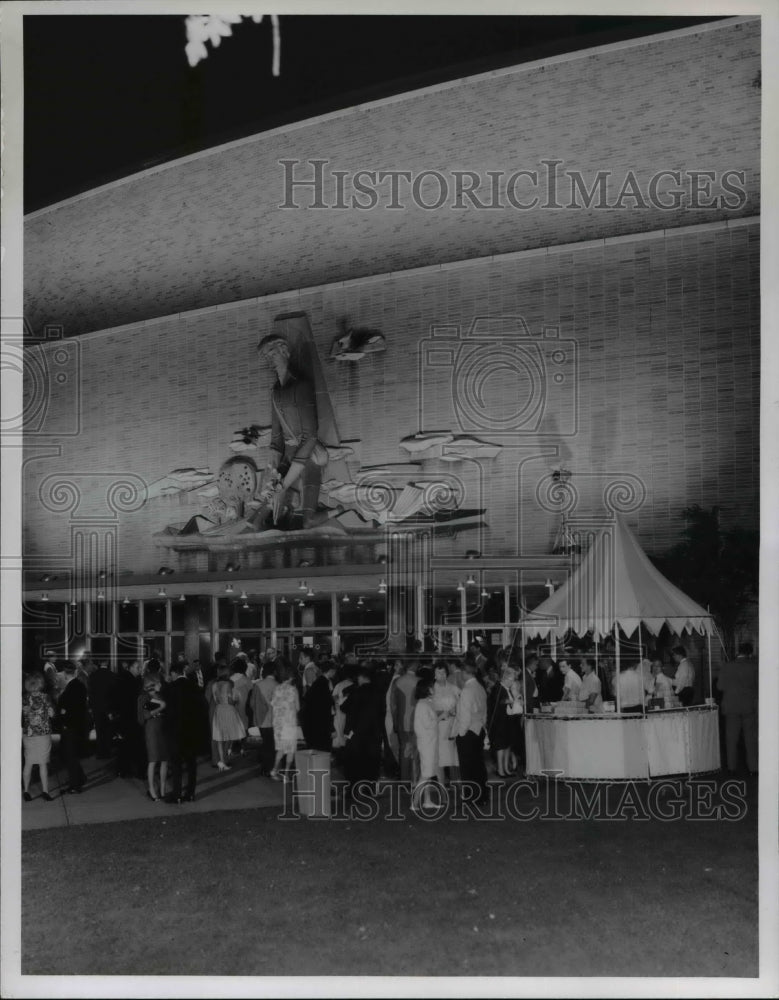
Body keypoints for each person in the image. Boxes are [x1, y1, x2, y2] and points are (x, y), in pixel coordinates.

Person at [255, 333, 329, 530]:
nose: (269, 360)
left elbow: (310, 436)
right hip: (287, 459)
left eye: (272, 354)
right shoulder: (276, 392)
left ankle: (335, 511)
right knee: (267, 512)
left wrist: (284, 483)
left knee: (308, 520)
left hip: (309, 457)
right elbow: (276, 439)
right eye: (266, 357)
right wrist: (271, 473)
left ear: (284, 351)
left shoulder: (302, 386)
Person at [342, 662, 385, 794]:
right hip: (375, 733)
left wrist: (347, 731)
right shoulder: (379, 692)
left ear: (361, 677)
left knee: (355, 762)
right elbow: (383, 711)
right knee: (372, 763)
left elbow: (346, 709)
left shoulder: (357, 692)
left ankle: (353, 789)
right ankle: (370, 788)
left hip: (358, 734)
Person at [718, 642, 759, 774]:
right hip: (749, 706)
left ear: (738, 651)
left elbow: (720, 687)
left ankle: (731, 767)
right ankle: (753, 768)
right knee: (751, 739)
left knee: (731, 738)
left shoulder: (727, 666)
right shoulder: (754, 667)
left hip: (731, 707)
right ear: (750, 653)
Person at [164, 661, 202, 803]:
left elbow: (164, 708)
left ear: (173, 673)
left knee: (176, 763)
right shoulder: (194, 686)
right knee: (191, 763)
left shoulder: (170, 688)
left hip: (175, 731)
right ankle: (190, 793)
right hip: (191, 730)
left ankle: (177, 794)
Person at [453, 660, 488, 803]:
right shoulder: (480, 687)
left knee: (467, 767)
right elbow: (485, 710)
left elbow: (465, 715)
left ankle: (470, 796)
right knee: (478, 765)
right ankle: (482, 796)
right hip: (479, 728)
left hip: (468, 731)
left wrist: (461, 733)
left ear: (464, 672)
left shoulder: (467, 690)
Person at [22, 673, 56, 801]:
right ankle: (45, 792)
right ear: (40, 683)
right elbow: (52, 714)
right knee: (42, 764)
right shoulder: (45, 697)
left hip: (29, 734)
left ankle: (26, 791)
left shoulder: (24, 698)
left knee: (28, 763)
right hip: (43, 734)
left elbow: (22, 714)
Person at [56, 661, 89, 794]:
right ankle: (79, 778)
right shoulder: (80, 686)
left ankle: (75, 785)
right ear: (74, 672)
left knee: (70, 756)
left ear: (64, 674)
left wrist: (63, 713)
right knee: (72, 754)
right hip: (79, 724)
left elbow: (65, 708)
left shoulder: (70, 689)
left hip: (70, 726)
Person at [138, 676, 169, 800]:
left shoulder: (160, 696)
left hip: (162, 727)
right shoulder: (143, 697)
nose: (161, 685)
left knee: (165, 759)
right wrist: (161, 707)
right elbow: (144, 716)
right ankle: (151, 789)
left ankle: (162, 789)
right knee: (153, 759)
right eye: (158, 683)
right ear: (152, 684)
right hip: (151, 728)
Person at [115, 659, 146, 778]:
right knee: (136, 745)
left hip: (126, 717)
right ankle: (137, 770)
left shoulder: (125, 679)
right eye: (138, 667)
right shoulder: (132, 682)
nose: (140, 670)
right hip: (132, 717)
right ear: (131, 667)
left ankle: (123, 769)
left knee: (125, 744)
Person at [270, 663, 300, 781]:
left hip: (278, 724)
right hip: (289, 723)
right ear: (291, 677)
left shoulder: (276, 688)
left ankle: (274, 770)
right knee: (291, 749)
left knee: (281, 749)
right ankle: (286, 775)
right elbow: (297, 707)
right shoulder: (293, 690)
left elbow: (272, 704)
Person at [412, 675, 439, 810]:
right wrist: (440, 717)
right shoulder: (423, 704)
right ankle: (415, 802)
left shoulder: (426, 702)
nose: (434, 688)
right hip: (426, 743)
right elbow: (428, 723)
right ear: (427, 689)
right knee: (426, 774)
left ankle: (426, 800)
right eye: (432, 686)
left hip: (429, 742)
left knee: (427, 773)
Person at [432, 661, 460, 784]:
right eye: (438, 672)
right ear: (434, 675)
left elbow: (462, 702)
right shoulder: (432, 689)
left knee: (454, 756)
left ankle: (456, 782)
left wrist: (456, 711)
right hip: (439, 726)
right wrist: (441, 713)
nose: (441, 675)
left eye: (443, 672)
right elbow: (428, 709)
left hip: (453, 725)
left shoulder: (453, 688)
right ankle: (441, 783)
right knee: (441, 757)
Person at [211, 674, 246, 772]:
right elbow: (231, 699)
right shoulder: (228, 685)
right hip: (228, 710)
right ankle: (228, 753)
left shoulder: (214, 685)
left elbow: (215, 699)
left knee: (219, 737)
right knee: (232, 733)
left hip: (219, 709)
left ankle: (221, 761)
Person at [392, 660, 419, 784]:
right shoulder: (419, 681)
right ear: (415, 666)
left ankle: (404, 780)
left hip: (402, 721)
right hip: (417, 721)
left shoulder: (397, 681)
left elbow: (393, 705)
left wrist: (395, 721)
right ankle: (415, 779)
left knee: (404, 750)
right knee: (416, 750)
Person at [302, 659, 335, 752]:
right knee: (322, 751)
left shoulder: (317, 683)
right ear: (331, 671)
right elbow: (326, 708)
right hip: (321, 725)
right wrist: (331, 728)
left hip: (313, 724)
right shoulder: (324, 684)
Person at [487, 666, 514, 778]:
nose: (512, 681)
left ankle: (506, 768)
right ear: (505, 678)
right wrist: (507, 701)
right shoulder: (498, 688)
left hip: (507, 721)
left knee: (507, 746)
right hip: (499, 723)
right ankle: (500, 769)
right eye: (511, 679)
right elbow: (495, 704)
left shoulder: (507, 689)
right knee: (500, 747)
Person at [251, 662, 277, 776]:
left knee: (265, 743)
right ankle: (269, 767)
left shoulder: (258, 685)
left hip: (261, 718)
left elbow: (252, 703)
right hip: (274, 719)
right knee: (271, 744)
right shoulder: (278, 685)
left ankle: (264, 767)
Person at [88, 658, 117, 759]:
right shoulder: (112, 675)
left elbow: (90, 693)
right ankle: (107, 751)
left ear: (99, 662)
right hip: (108, 707)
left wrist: (91, 706)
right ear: (107, 663)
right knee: (108, 730)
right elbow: (114, 694)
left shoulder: (93, 676)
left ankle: (100, 752)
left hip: (97, 707)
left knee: (99, 730)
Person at [229, 657, 252, 754]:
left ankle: (230, 748)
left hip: (233, 706)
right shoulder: (247, 680)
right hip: (244, 706)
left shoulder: (230, 679)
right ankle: (243, 748)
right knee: (244, 727)